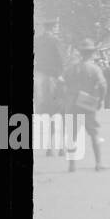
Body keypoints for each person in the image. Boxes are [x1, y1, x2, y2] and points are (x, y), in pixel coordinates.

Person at [62, 38, 106, 171]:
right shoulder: (95, 68)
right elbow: (103, 85)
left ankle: (72, 165)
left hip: (73, 102)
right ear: (92, 53)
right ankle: (98, 163)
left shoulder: (71, 68)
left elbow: (61, 83)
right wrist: (101, 100)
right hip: (88, 102)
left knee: (72, 135)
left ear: (80, 52)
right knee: (94, 133)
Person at [33, 20, 65, 157]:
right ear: (52, 28)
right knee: (62, 108)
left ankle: (39, 108)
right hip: (52, 74)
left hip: (39, 73)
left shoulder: (37, 40)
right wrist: (61, 73)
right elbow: (60, 58)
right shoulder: (55, 40)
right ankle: (60, 147)